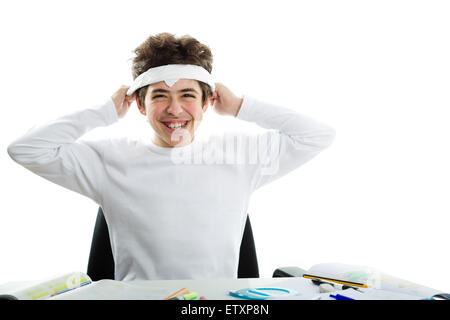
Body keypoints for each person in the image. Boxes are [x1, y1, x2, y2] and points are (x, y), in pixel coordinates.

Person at [7, 32, 336, 281]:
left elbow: (317, 135)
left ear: (207, 102)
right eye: (160, 95)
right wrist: (104, 111)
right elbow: (25, 148)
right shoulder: (108, 161)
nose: (174, 109)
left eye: (188, 95)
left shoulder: (241, 156)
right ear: (140, 104)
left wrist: (239, 106)